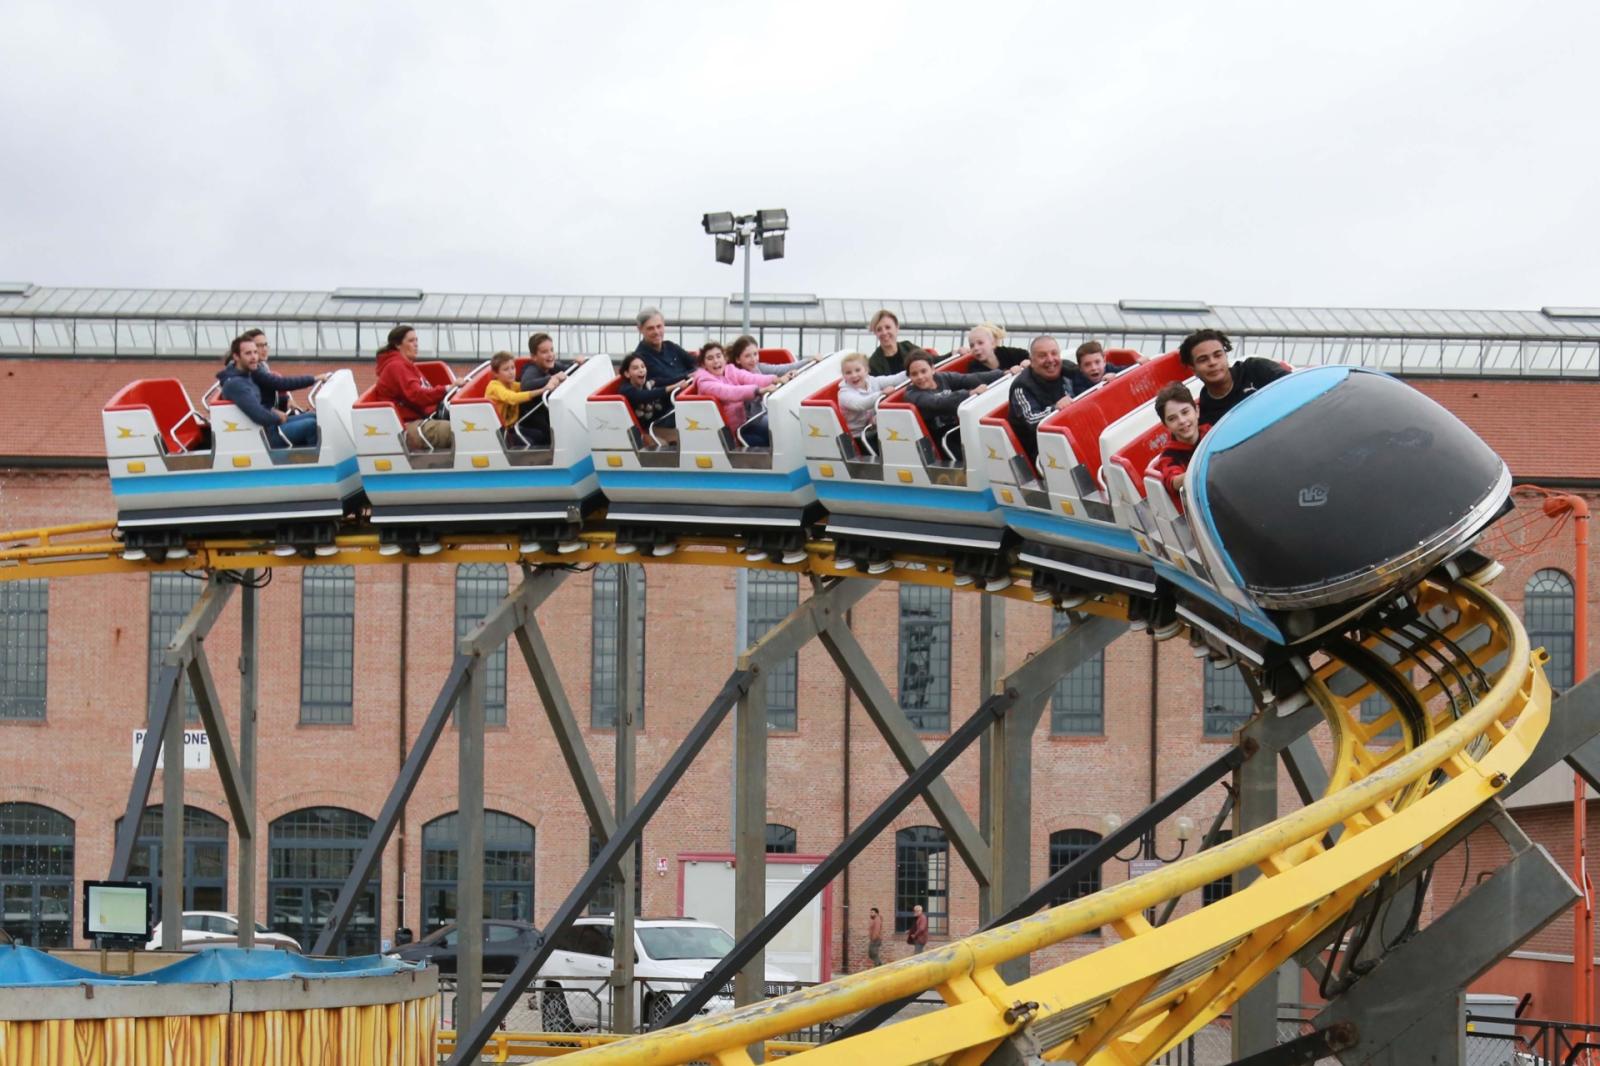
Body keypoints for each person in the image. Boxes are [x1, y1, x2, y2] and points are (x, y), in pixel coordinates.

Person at [215, 333, 327, 448]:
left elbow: (255, 405)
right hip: (265, 436)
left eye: (255, 352)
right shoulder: (237, 384)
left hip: (267, 428)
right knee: (312, 425)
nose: (254, 357)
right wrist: (277, 417)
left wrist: (277, 407)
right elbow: (258, 415)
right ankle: (315, 462)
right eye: (248, 353)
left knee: (314, 417)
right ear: (236, 357)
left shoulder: (245, 375)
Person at [902, 353, 1015, 461]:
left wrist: (1003, 374)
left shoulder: (941, 378)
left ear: (932, 369)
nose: (920, 377)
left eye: (923, 371)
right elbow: (938, 403)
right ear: (909, 377)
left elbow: (969, 378)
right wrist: (968, 394)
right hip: (942, 437)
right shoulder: (912, 394)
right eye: (914, 374)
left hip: (959, 428)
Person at [1179, 328, 1290, 425]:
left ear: (1226, 356)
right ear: (1193, 369)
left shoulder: (1256, 369)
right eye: (1203, 359)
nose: (1212, 362)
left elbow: (1294, 385)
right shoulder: (1202, 416)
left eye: (1218, 355)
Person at [371, 324, 453, 449]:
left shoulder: (407, 366)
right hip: (407, 427)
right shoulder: (396, 367)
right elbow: (417, 395)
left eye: (416, 340)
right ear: (398, 345)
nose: (416, 344)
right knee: (461, 430)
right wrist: (447, 388)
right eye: (410, 341)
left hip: (419, 421)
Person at [691, 343, 780, 447]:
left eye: (719, 356)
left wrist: (775, 379)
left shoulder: (730, 370)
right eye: (710, 358)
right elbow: (729, 392)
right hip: (727, 434)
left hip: (742, 425)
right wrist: (758, 390)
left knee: (775, 432)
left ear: (724, 359)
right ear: (703, 364)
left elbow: (751, 378)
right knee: (765, 441)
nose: (716, 361)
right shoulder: (705, 382)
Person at [1008, 335, 1074, 463]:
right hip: (1041, 453)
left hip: (1069, 438)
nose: (1050, 360)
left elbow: (1090, 376)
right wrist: (1056, 409)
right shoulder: (1021, 387)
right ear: (1032, 362)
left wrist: (1107, 376)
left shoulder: (1068, 369)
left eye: (1054, 353)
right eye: (1042, 355)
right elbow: (1032, 421)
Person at [515, 332, 586, 446]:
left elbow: (567, 371)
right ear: (534, 356)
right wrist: (551, 379)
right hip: (531, 422)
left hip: (548, 418)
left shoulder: (553, 366)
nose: (550, 355)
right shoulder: (532, 369)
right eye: (544, 352)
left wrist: (577, 363)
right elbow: (526, 385)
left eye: (551, 350)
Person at [1148, 382, 1210, 513]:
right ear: (1166, 425)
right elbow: (1173, 481)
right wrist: (1206, 470)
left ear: (1197, 411)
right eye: (1172, 418)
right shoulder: (1168, 456)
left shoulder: (1211, 433)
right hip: (1201, 509)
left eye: (1185, 412)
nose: (1182, 421)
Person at [617, 353, 688, 446]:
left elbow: (667, 381)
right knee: (668, 443)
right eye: (635, 368)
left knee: (684, 436)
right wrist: (675, 386)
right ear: (627, 373)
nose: (641, 370)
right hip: (643, 432)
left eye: (643, 367)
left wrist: (688, 376)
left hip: (656, 423)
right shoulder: (627, 390)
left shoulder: (649, 382)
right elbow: (645, 395)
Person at [837, 351, 907, 446]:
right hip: (858, 436)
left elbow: (895, 379)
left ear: (866, 370)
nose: (854, 375)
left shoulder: (873, 381)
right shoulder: (844, 394)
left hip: (874, 428)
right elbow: (861, 404)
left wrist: (911, 371)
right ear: (843, 375)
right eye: (848, 372)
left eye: (858, 370)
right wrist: (881, 394)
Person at [633, 307, 697, 387]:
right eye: (650, 328)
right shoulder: (640, 359)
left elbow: (695, 362)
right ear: (640, 329)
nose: (656, 332)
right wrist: (688, 375)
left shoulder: (671, 346)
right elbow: (663, 382)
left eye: (659, 326)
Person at [483, 352, 538, 436]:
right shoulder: (494, 387)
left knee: (539, 435)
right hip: (497, 432)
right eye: (506, 369)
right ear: (495, 373)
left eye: (513, 368)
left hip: (511, 428)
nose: (511, 372)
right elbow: (512, 398)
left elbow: (527, 386)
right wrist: (542, 390)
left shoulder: (512, 384)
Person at [240, 327, 291, 414]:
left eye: (265, 345)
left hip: (272, 414)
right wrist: (313, 379)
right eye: (259, 346)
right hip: (267, 421)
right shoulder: (250, 372)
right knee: (312, 421)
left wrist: (287, 399)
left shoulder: (262, 366)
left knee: (311, 417)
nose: (264, 349)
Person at [866, 309, 924, 376]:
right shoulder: (873, 363)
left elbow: (930, 360)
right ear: (875, 333)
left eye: (888, 327)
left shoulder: (908, 347)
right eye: (879, 330)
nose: (884, 333)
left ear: (897, 327)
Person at [1073, 340, 1149, 391]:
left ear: (1104, 361)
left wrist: (1139, 364)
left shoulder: (1110, 368)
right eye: (1087, 365)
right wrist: (1103, 384)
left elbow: (1128, 371)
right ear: (1080, 368)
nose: (1093, 368)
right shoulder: (1077, 381)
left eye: (1097, 362)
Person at [961, 322, 1030, 371]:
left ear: (993, 343)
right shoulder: (974, 368)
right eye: (972, 346)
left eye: (980, 343)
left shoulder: (1007, 353)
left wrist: (1028, 362)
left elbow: (1028, 357)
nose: (976, 348)